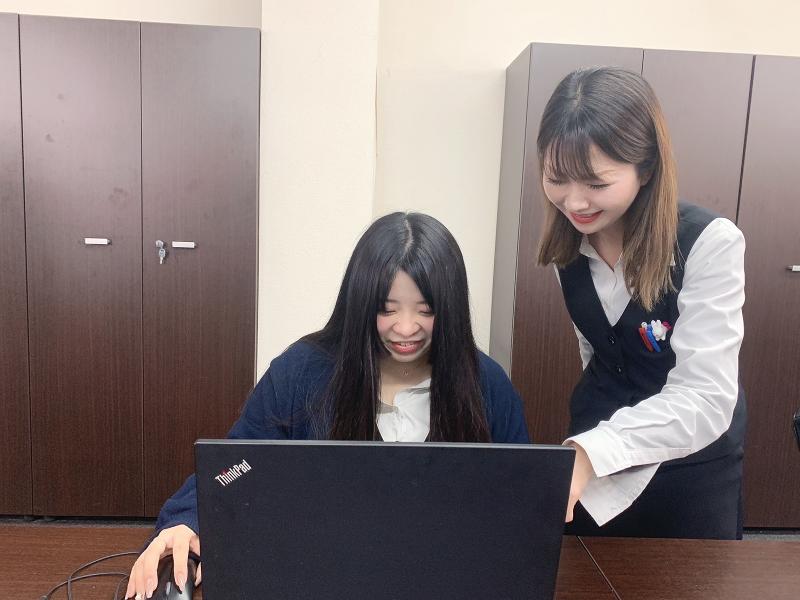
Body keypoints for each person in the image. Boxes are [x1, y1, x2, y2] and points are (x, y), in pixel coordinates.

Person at [126, 212, 529, 599]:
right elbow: (235, 467)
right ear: (360, 303)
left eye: (426, 310)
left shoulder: (486, 384)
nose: (406, 328)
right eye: (387, 309)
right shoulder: (302, 371)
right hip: (317, 577)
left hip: (450, 581)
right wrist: (187, 521)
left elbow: (523, 496)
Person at [536, 66, 746, 539]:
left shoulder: (708, 242)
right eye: (556, 179)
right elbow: (598, 353)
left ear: (646, 168)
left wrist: (595, 451)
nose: (574, 202)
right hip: (596, 455)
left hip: (689, 465)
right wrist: (592, 448)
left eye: (596, 183)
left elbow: (706, 396)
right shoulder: (569, 249)